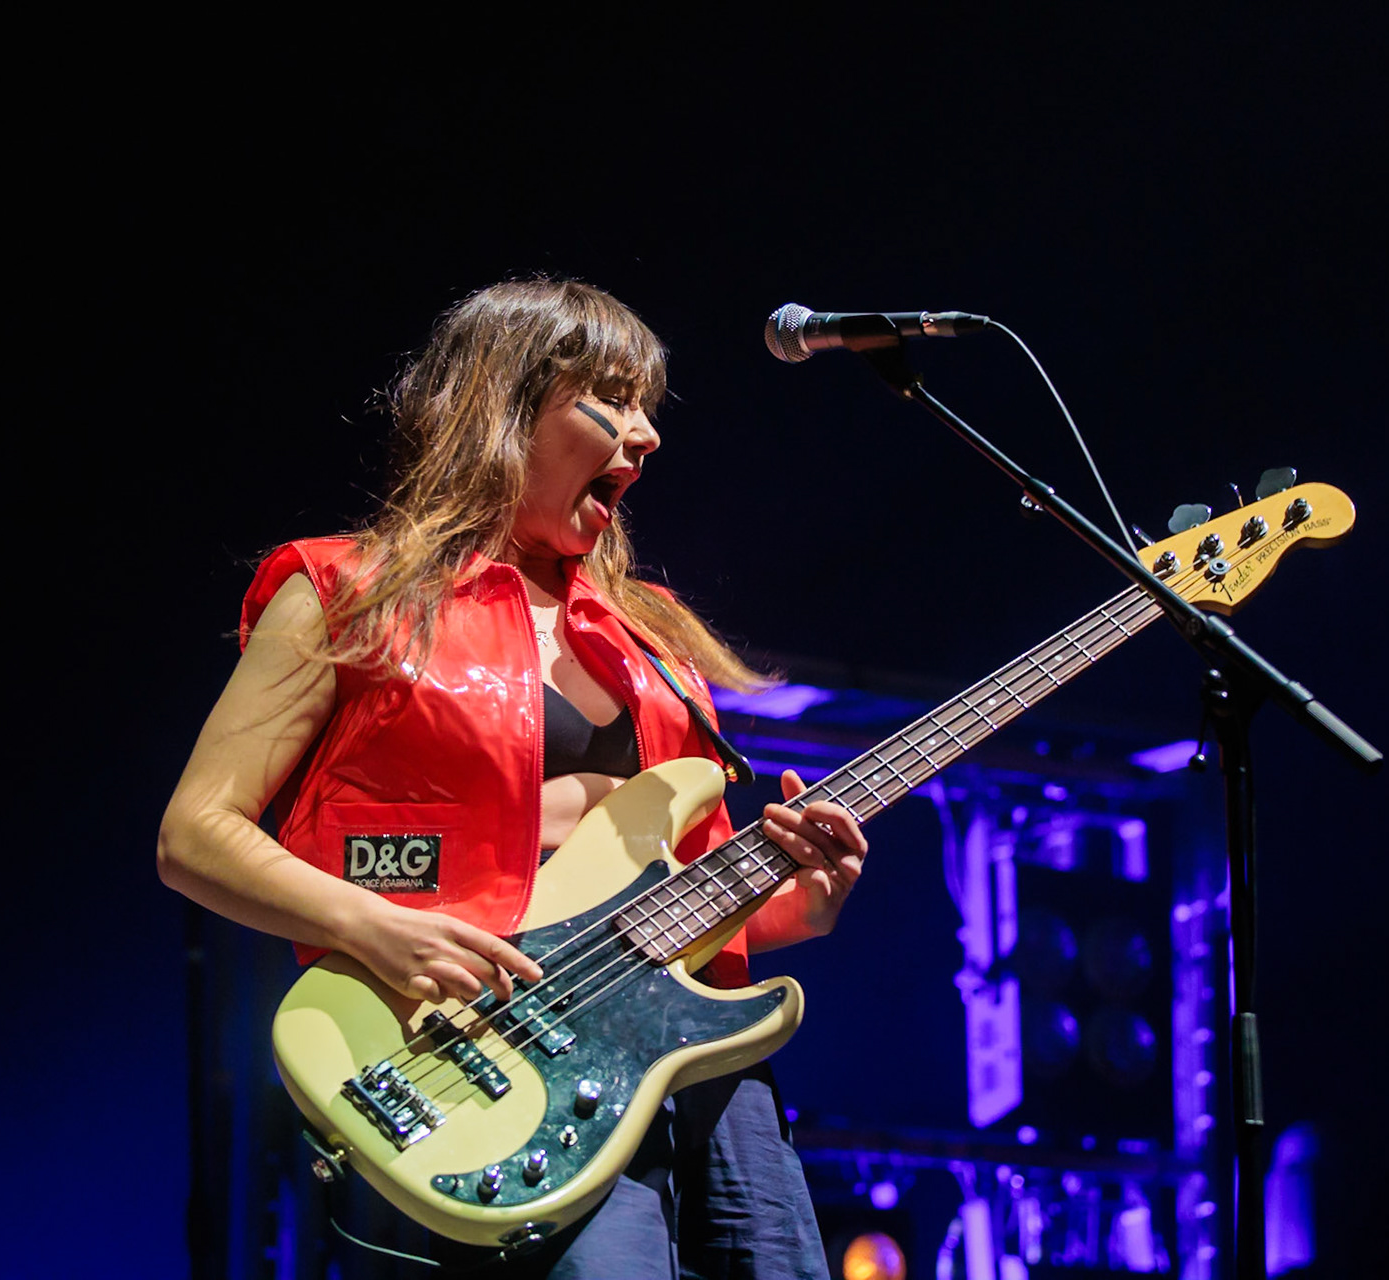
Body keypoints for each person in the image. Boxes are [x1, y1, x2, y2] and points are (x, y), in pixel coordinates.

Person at [158, 279, 868, 1279]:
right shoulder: (350, 593)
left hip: (693, 1063)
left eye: (648, 407)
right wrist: (375, 923)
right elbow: (195, 832)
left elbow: (693, 905)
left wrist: (798, 903)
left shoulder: (648, 640)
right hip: (486, 1057)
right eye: (610, 400)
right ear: (504, 406)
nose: (646, 434)